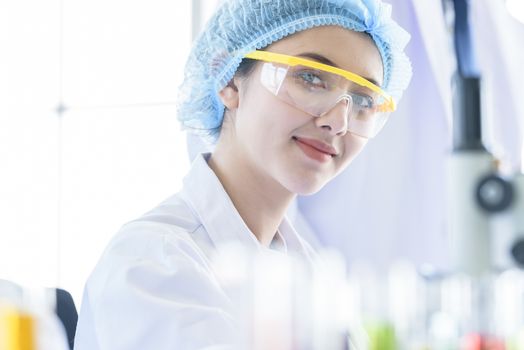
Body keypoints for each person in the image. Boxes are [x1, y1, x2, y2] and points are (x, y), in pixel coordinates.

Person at [73, 0, 412, 349]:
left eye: (363, 101)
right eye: (311, 78)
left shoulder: (307, 274)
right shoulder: (152, 263)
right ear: (230, 81)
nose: (338, 122)